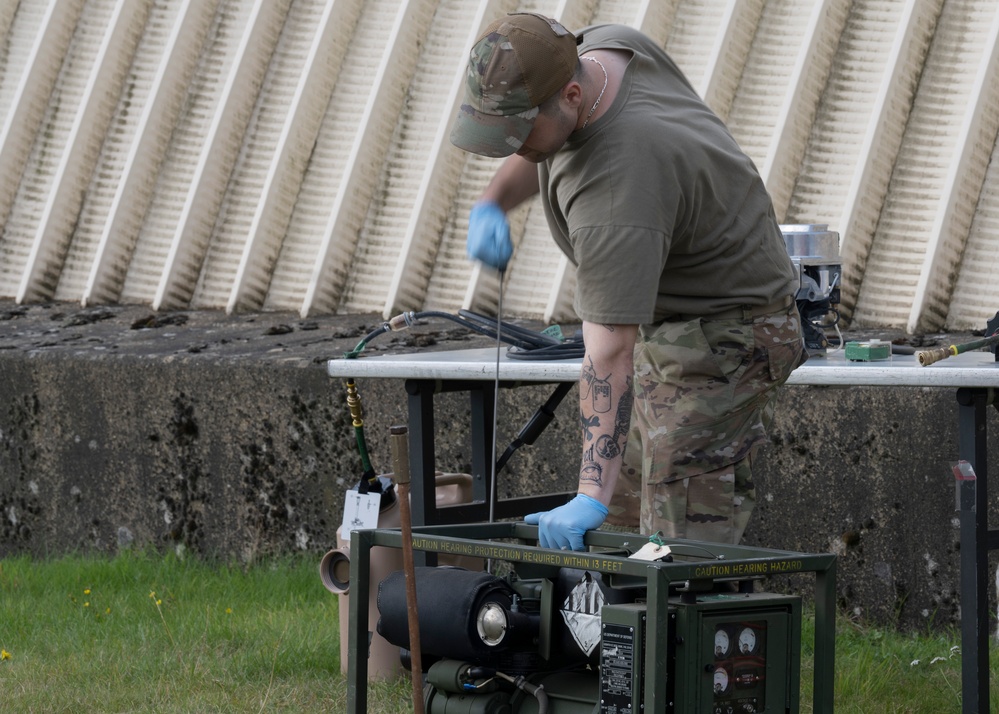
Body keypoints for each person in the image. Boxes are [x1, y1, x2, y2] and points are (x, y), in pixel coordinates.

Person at [449, 13, 807, 551]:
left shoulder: (617, 188)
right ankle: (622, 628)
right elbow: (540, 137)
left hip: (728, 337)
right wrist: (493, 201)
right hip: (676, 324)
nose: (514, 149)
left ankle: (698, 627)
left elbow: (610, 355)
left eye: (520, 134)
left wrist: (587, 495)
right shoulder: (604, 50)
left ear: (571, 95)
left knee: (673, 537)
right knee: (620, 521)